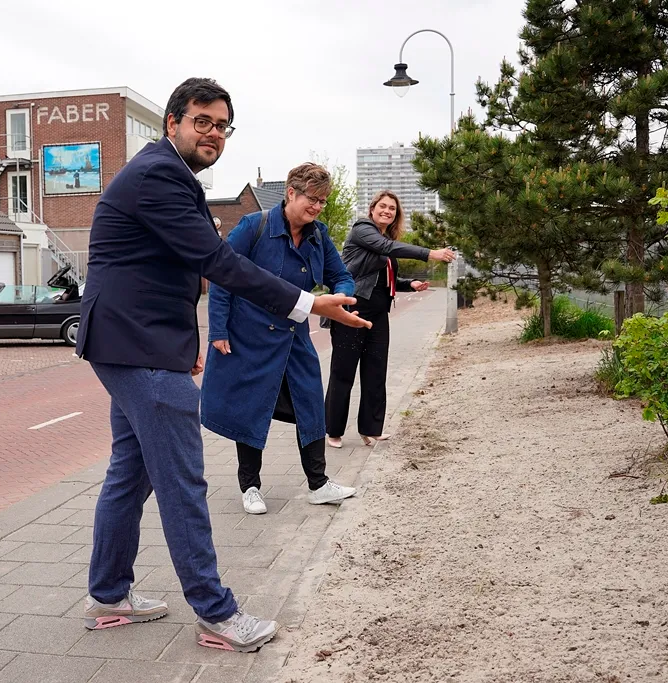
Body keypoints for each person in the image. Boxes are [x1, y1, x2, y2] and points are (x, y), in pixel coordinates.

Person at [75, 77, 370, 653]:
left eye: (222, 125)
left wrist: (184, 348)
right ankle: (217, 615)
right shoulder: (161, 174)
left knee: (130, 472)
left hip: (130, 342)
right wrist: (308, 303)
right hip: (136, 347)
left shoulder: (168, 175)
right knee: (184, 480)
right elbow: (215, 262)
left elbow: (170, 272)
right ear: (173, 123)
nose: (213, 133)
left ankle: (108, 596)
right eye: (201, 121)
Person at [201, 163, 358, 515]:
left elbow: (340, 275)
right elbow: (224, 275)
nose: (317, 207)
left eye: (323, 201)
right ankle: (251, 486)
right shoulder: (253, 227)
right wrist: (219, 330)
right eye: (312, 199)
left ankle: (318, 484)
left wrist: (343, 297)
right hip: (250, 336)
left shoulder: (319, 235)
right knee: (251, 406)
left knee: (310, 402)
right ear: (291, 193)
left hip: (294, 336)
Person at [324, 190, 456, 448]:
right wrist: (430, 253)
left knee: (375, 372)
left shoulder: (385, 241)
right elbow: (381, 253)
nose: (387, 211)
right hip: (352, 309)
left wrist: (410, 284)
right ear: (372, 209)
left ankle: (370, 429)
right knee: (343, 372)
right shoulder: (362, 230)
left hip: (378, 314)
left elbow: (383, 281)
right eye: (382, 206)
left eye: (392, 209)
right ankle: (333, 431)